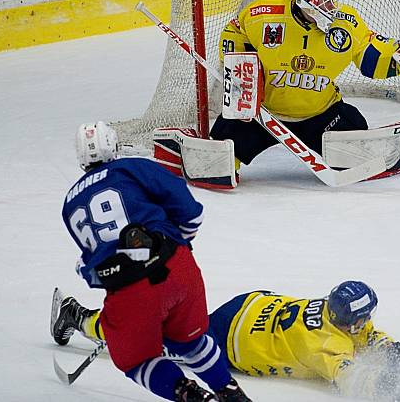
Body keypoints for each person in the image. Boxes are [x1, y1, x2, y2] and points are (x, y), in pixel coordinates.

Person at [52, 121, 251, 402]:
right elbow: (191, 213)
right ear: (114, 144)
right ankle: (231, 393)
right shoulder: (132, 168)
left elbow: (94, 269)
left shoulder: (70, 204)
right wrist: (176, 246)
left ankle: (191, 395)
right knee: (191, 341)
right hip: (178, 269)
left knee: (135, 361)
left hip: (130, 290)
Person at [210, 0, 400, 169]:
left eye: (333, 0)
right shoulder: (263, 16)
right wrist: (242, 67)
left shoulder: (346, 24)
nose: (332, 6)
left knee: (354, 131)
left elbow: (371, 59)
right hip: (263, 116)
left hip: (321, 116)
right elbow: (234, 30)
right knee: (218, 160)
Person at [54, 280, 400, 401]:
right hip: (229, 338)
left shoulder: (336, 316)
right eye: (362, 319)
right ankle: (77, 316)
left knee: (159, 326)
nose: (367, 323)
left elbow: (364, 336)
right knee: (145, 340)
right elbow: (349, 377)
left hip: (253, 305)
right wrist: (387, 388)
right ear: (345, 320)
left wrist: (391, 349)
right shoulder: (321, 347)